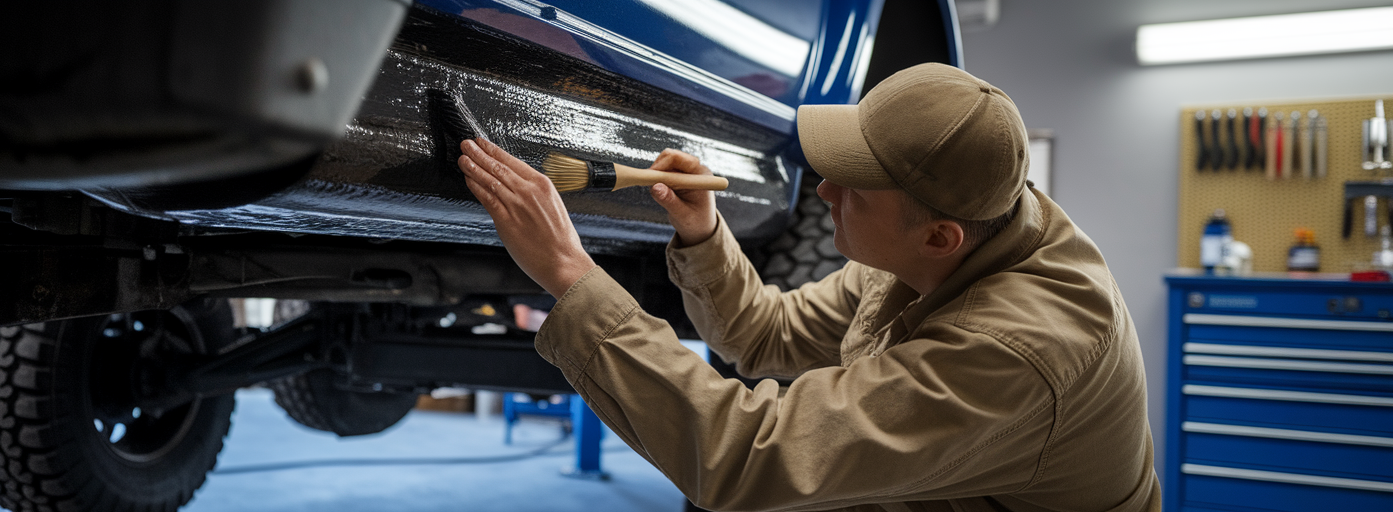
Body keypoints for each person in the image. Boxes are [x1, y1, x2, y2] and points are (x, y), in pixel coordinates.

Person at [455, 63, 1159, 511]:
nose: (823, 189)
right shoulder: (946, 239)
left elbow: (744, 455)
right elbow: (767, 336)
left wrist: (570, 275)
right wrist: (705, 234)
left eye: (852, 185)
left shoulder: (1018, 350)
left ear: (938, 235)